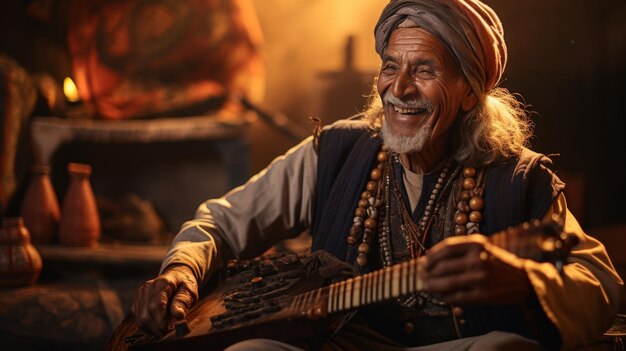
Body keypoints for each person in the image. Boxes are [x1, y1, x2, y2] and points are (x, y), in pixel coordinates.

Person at [131, 0, 623, 350]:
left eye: (424, 70)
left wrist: (524, 280)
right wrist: (181, 269)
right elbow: (223, 220)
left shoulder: (519, 177)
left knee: (504, 347)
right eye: (391, 66)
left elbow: (598, 282)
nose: (399, 88)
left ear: (470, 92)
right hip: (340, 345)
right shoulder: (338, 151)